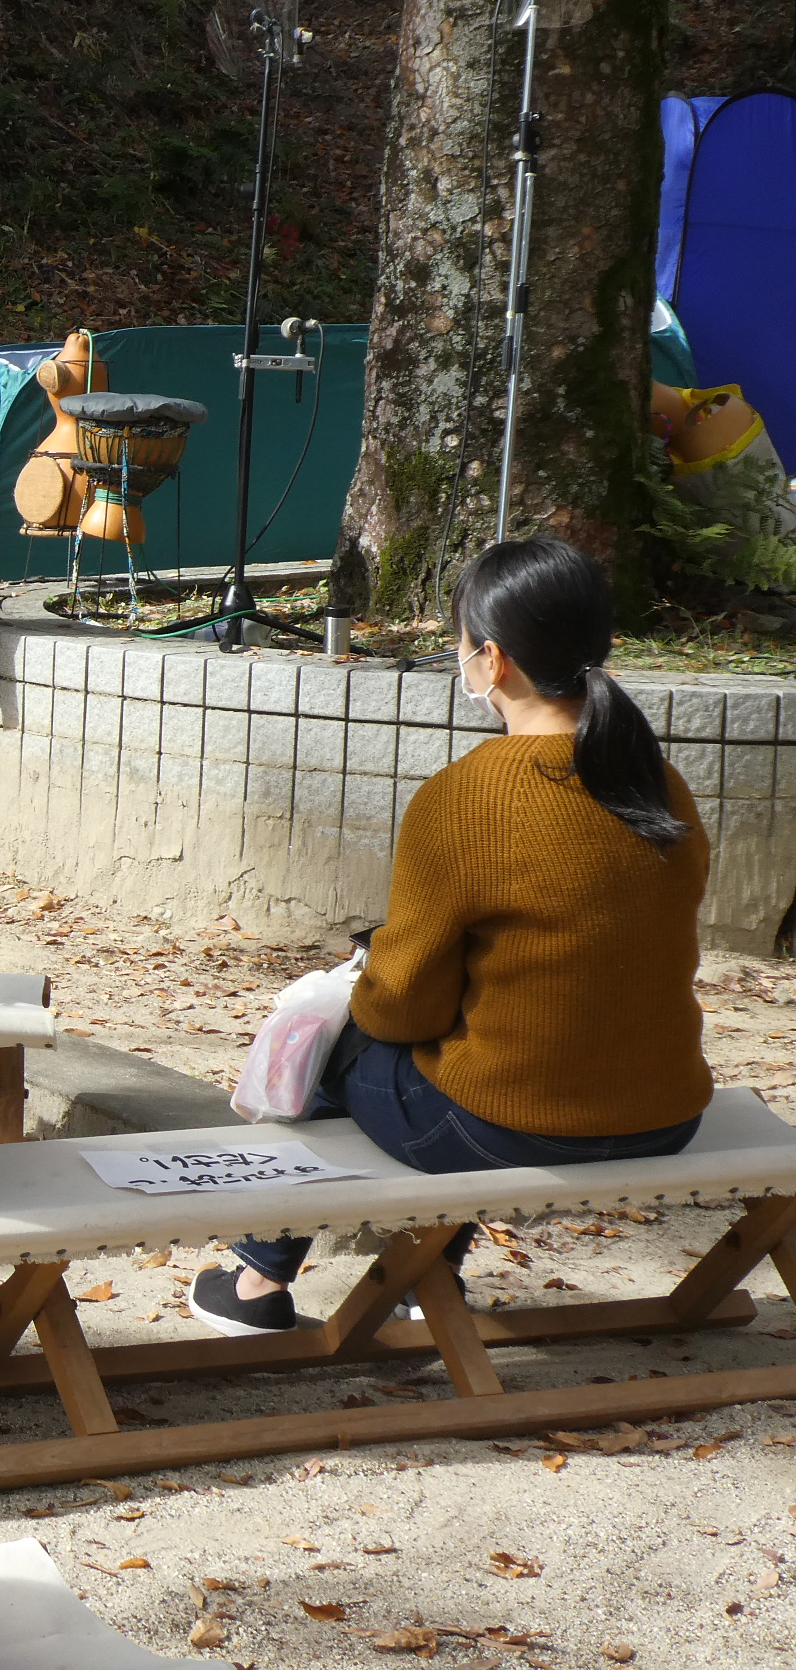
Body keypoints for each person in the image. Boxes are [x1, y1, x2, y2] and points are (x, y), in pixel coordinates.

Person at [190, 538, 714, 1336]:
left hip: (507, 1126)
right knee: (469, 1057)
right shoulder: (653, 777)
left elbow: (400, 1011)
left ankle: (259, 1282)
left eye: (462, 644)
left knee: (331, 1047)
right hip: (667, 1114)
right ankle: (424, 1275)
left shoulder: (467, 796)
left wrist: (361, 983)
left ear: (493, 660)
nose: (460, 659)